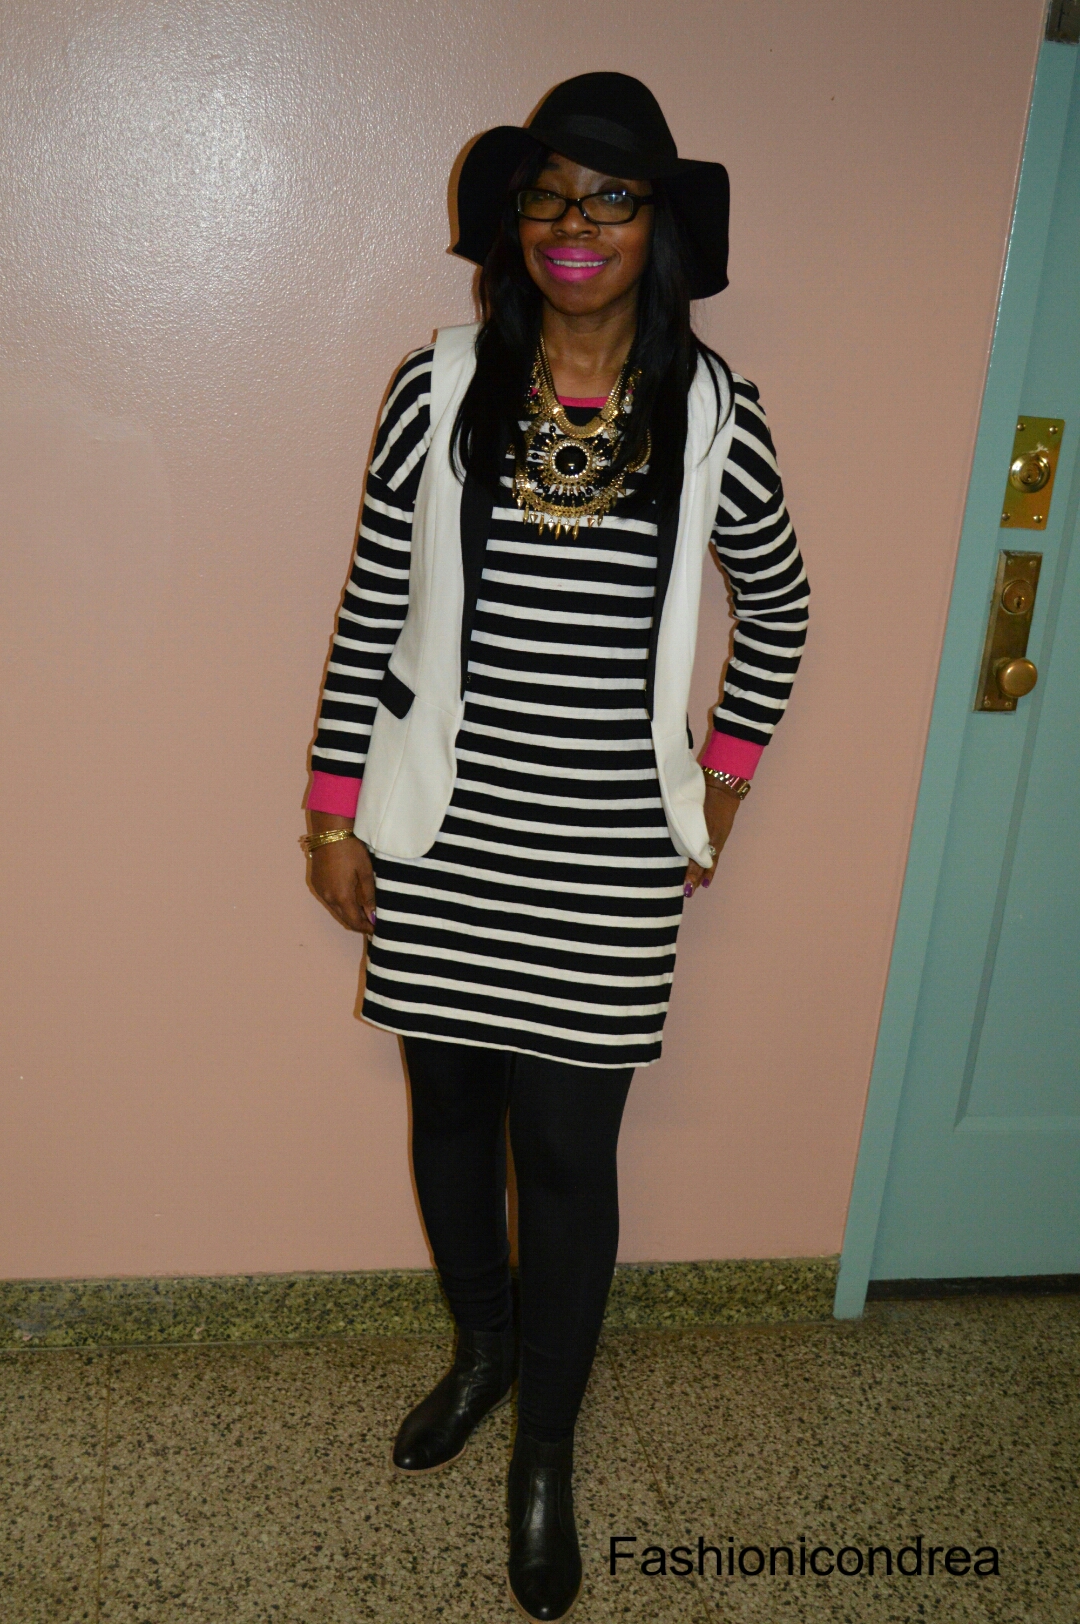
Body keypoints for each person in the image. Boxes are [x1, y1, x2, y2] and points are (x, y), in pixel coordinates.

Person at [302, 72, 808, 1624]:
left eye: (609, 198)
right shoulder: (438, 386)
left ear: (659, 229)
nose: (572, 225)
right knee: (450, 1117)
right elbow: (371, 601)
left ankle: (546, 1451)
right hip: (446, 832)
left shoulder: (713, 413)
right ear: (511, 222)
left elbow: (781, 609)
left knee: (570, 1156)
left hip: (604, 853)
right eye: (546, 195)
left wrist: (719, 793)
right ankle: (482, 1348)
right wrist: (334, 808)